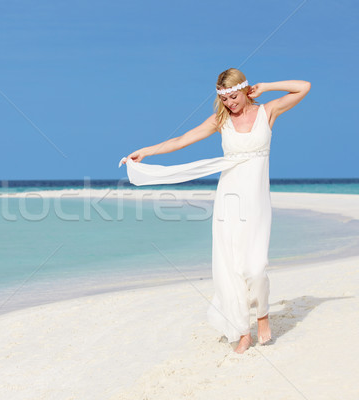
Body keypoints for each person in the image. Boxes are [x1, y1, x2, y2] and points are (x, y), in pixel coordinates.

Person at [120, 68, 310, 353]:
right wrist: (146, 151)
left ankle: (263, 316)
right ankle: (242, 330)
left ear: (244, 91)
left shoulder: (267, 112)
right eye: (225, 98)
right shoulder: (220, 121)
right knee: (231, 266)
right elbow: (180, 140)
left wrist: (267, 86)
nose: (230, 103)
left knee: (256, 267)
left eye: (234, 96)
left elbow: (303, 86)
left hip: (257, 202)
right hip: (229, 200)